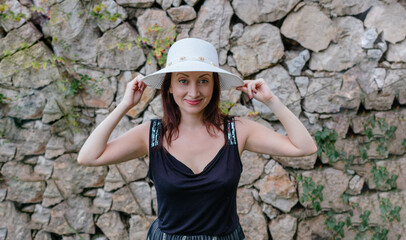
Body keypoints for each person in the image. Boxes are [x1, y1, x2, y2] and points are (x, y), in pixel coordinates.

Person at [77, 38, 317, 240]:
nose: (193, 92)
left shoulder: (237, 131)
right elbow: (89, 157)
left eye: (203, 80)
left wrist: (271, 100)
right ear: (169, 86)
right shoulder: (151, 135)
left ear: (214, 86)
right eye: (183, 81)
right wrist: (125, 105)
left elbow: (304, 147)